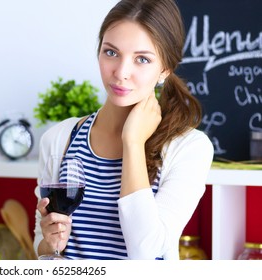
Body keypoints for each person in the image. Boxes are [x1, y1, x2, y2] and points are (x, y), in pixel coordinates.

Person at [34, 0, 214, 260]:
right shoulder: (59, 138)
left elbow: (146, 252)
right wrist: (49, 241)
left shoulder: (189, 148)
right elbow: (41, 244)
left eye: (142, 59)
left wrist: (133, 142)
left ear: (165, 69)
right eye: (111, 52)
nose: (121, 72)